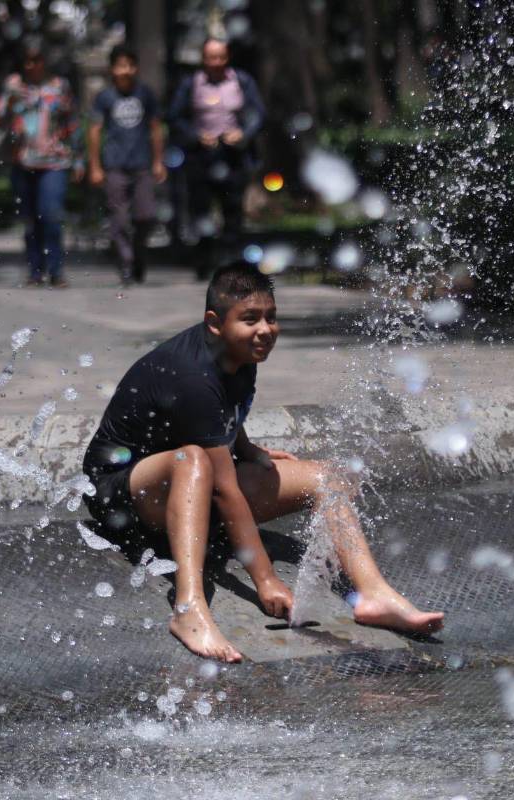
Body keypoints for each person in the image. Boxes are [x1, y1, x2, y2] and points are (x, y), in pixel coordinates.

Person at [82, 264, 443, 662]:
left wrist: (248, 449)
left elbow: (223, 415)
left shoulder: (241, 353)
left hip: (187, 487)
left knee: (326, 477)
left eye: (271, 317)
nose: (265, 329)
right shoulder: (191, 376)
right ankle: (188, 608)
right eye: (250, 319)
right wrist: (265, 579)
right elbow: (223, 487)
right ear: (214, 323)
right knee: (195, 460)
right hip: (123, 496)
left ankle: (373, 593)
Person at [168, 38, 265, 277]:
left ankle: (232, 263)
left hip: (233, 154)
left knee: (232, 210)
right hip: (202, 155)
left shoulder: (241, 81)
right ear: (203, 59)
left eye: (220, 57)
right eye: (211, 57)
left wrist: (243, 133)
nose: (216, 62)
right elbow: (174, 116)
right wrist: (196, 135)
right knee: (200, 210)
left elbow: (258, 114)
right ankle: (203, 262)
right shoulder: (192, 83)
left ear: (227, 57)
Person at [0, 37, 83, 288]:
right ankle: (35, 269)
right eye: (27, 61)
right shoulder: (13, 86)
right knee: (30, 219)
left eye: (37, 60)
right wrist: (10, 101)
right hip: (23, 161)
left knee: (51, 215)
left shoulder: (59, 87)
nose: (32, 66)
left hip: (55, 161)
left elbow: (72, 123)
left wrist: (79, 160)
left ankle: (55, 269)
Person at [87, 44, 166, 286]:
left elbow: (155, 128)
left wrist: (158, 161)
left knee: (146, 216)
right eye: (121, 66)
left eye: (130, 65)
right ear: (112, 69)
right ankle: (126, 262)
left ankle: (139, 255)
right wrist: (95, 166)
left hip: (142, 165)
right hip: (115, 166)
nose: (126, 70)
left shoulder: (145, 94)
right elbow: (94, 131)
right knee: (119, 219)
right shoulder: (105, 97)